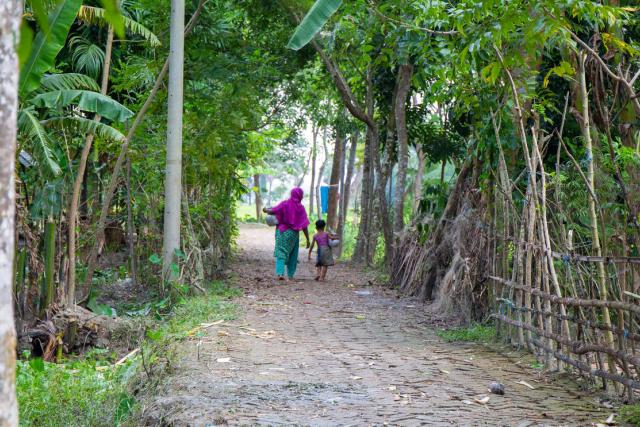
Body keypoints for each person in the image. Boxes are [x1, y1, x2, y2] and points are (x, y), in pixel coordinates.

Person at [263, 187, 310, 281]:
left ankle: (280, 273)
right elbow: (304, 225)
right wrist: (308, 239)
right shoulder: (301, 208)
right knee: (293, 254)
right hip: (293, 235)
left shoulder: (284, 204)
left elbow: (273, 210)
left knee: (281, 252)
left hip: (282, 232)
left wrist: (265, 210)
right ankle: (291, 275)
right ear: (300, 196)